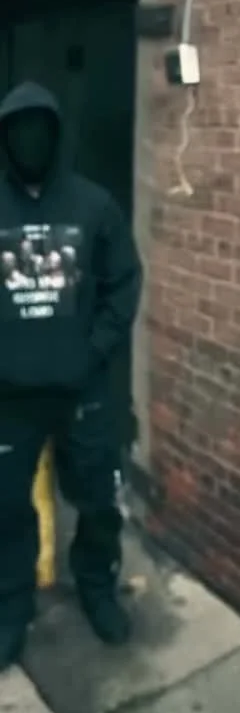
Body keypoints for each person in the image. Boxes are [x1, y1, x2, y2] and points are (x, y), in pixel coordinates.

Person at [0, 81, 142, 667]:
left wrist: (94, 351)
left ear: (56, 135)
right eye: (18, 130)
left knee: (98, 501)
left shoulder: (93, 205)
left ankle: (97, 589)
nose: (29, 140)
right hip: (9, 398)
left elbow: (123, 283)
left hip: (84, 390)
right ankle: (10, 610)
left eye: (40, 129)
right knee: (5, 508)